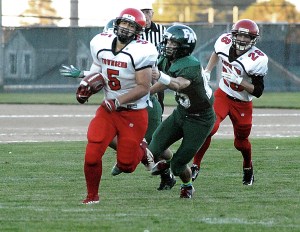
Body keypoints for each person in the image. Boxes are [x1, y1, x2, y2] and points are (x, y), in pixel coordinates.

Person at [72, 8, 158, 204]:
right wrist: (87, 87)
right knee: (92, 153)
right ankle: (92, 196)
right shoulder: (100, 42)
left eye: (131, 25)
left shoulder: (142, 50)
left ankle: (142, 151)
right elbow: (98, 73)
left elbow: (144, 86)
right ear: (117, 23)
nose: (125, 28)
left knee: (127, 166)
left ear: (138, 30)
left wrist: (118, 100)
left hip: (133, 112)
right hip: (108, 110)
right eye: (123, 23)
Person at [190, 19, 268, 186]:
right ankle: (195, 165)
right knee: (209, 128)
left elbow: (258, 91)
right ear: (234, 35)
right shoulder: (224, 42)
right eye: (240, 35)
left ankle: (248, 167)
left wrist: (240, 81)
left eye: (247, 37)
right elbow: (217, 53)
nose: (242, 39)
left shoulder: (257, 59)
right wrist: (208, 71)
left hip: (242, 102)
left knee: (240, 143)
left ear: (253, 39)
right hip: (223, 95)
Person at [148, 24, 216, 198]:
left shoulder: (191, 65)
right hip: (181, 113)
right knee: (153, 148)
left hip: (200, 120)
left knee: (179, 164)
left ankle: (187, 185)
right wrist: (146, 93)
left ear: (184, 47)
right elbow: (165, 81)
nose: (167, 45)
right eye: (168, 41)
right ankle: (167, 169)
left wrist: (160, 76)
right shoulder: (166, 58)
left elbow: (178, 84)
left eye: (173, 43)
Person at [139, 3, 166, 113]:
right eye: (142, 12)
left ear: (152, 14)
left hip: (157, 70)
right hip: (139, 69)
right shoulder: (135, 30)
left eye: (147, 12)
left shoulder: (161, 30)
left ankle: (158, 119)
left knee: (159, 98)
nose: (145, 15)